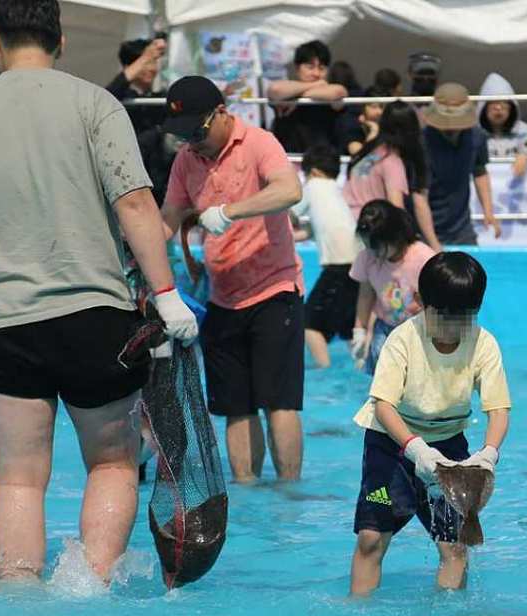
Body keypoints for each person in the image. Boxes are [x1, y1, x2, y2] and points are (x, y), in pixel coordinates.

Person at [0, 0, 198, 583]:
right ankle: (90, 589)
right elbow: (137, 203)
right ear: (60, 39)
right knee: (114, 465)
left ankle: (17, 598)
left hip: (5, 323)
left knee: (17, 480)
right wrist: (166, 294)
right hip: (97, 318)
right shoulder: (95, 104)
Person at [161, 75, 305, 484]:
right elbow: (168, 218)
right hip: (221, 297)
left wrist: (229, 211)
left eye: (197, 131)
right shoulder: (186, 161)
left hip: (274, 289)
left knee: (279, 402)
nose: (192, 140)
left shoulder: (259, 143)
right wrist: (142, 262)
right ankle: (248, 493)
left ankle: (289, 493)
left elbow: (289, 190)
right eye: (183, 134)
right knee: (235, 406)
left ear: (221, 113)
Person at [349, 251, 511, 596]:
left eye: (463, 317)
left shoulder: (484, 344)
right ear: (423, 303)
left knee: (453, 547)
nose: (453, 327)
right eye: (444, 316)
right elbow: (383, 405)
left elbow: (498, 409)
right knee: (371, 538)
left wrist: (488, 455)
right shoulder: (402, 339)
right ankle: (356, 612)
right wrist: (415, 448)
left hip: (449, 451)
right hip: (390, 448)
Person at [290, 144, 361, 369]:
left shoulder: (312, 186)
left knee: (309, 323)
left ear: (314, 171)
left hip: (338, 266)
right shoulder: (333, 191)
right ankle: (364, 368)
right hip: (356, 265)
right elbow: (312, 231)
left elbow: (288, 211)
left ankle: (323, 369)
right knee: (348, 329)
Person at [349, 200, 436, 374]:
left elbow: (437, 300)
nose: (372, 253)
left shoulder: (423, 258)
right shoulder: (368, 258)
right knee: (377, 370)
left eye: (376, 247)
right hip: (386, 325)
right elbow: (365, 295)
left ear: (396, 236)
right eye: (367, 246)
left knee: (415, 375)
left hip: (419, 330)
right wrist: (360, 329)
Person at [343, 100, 441, 250]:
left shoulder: (367, 152)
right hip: (368, 234)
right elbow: (397, 209)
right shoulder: (392, 163)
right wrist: (433, 246)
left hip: (345, 224)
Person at [423, 83, 501, 244]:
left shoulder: (476, 136)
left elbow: (480, 172)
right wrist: (431, 239)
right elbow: (418, 195)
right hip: (423, 227)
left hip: (462, 228)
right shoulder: (421, 141)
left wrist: (488, 211)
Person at [267, 40, 347, 153]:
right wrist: (316, 85)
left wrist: (297, 98)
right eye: (310, 67)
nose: (316, 73)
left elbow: (338, 92)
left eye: (322, 68)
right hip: (288, 160)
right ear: (297, 68)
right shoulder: (287, 88)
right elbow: (275, 90)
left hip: (321, 162)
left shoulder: (329, 91)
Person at [105, 36, 167, 136]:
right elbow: (107, 97)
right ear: (128, 66)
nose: (151, 68)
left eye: (154, 62)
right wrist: (146, 56)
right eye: (146, 63)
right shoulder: (118, 96)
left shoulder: (161, 98)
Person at [477, 72, 527, 177]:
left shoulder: (523, 131)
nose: (498, 108)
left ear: (512, 106)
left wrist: (525, 155)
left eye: (503, 102)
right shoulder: (473, 134)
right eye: (493, 102)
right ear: (483, 106)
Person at [341, 84, 387, 156]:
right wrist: (374, 131)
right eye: (374, 107)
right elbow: (361, 157)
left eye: (382, 107)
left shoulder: (386, 124)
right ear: (363, 107)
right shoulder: (353, 126)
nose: (379, 112)